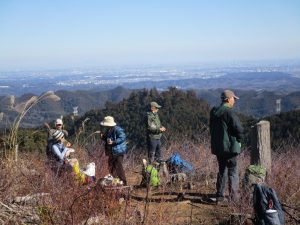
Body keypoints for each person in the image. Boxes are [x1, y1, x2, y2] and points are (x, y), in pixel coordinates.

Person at [209, 90, 244, 203]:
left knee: (222, 170)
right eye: (233, 99)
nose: (234, 101)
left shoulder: (214, 112)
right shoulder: (229, 113)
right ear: (228, 99)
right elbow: (239, 129)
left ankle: (220, 196)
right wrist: (239, 139)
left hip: (218, 147)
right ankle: (234, 198)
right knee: (233, 171)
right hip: (230, 147)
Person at [100, 116, 127, 185]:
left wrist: (114, 142)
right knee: (111, 167)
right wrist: (103, 137)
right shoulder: (109, 130)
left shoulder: (117, 129)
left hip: (118, 151)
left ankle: (123, 182)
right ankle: (116, 181)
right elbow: (107, 140)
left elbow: (123, 137)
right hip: (112, 152)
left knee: (118, 167)